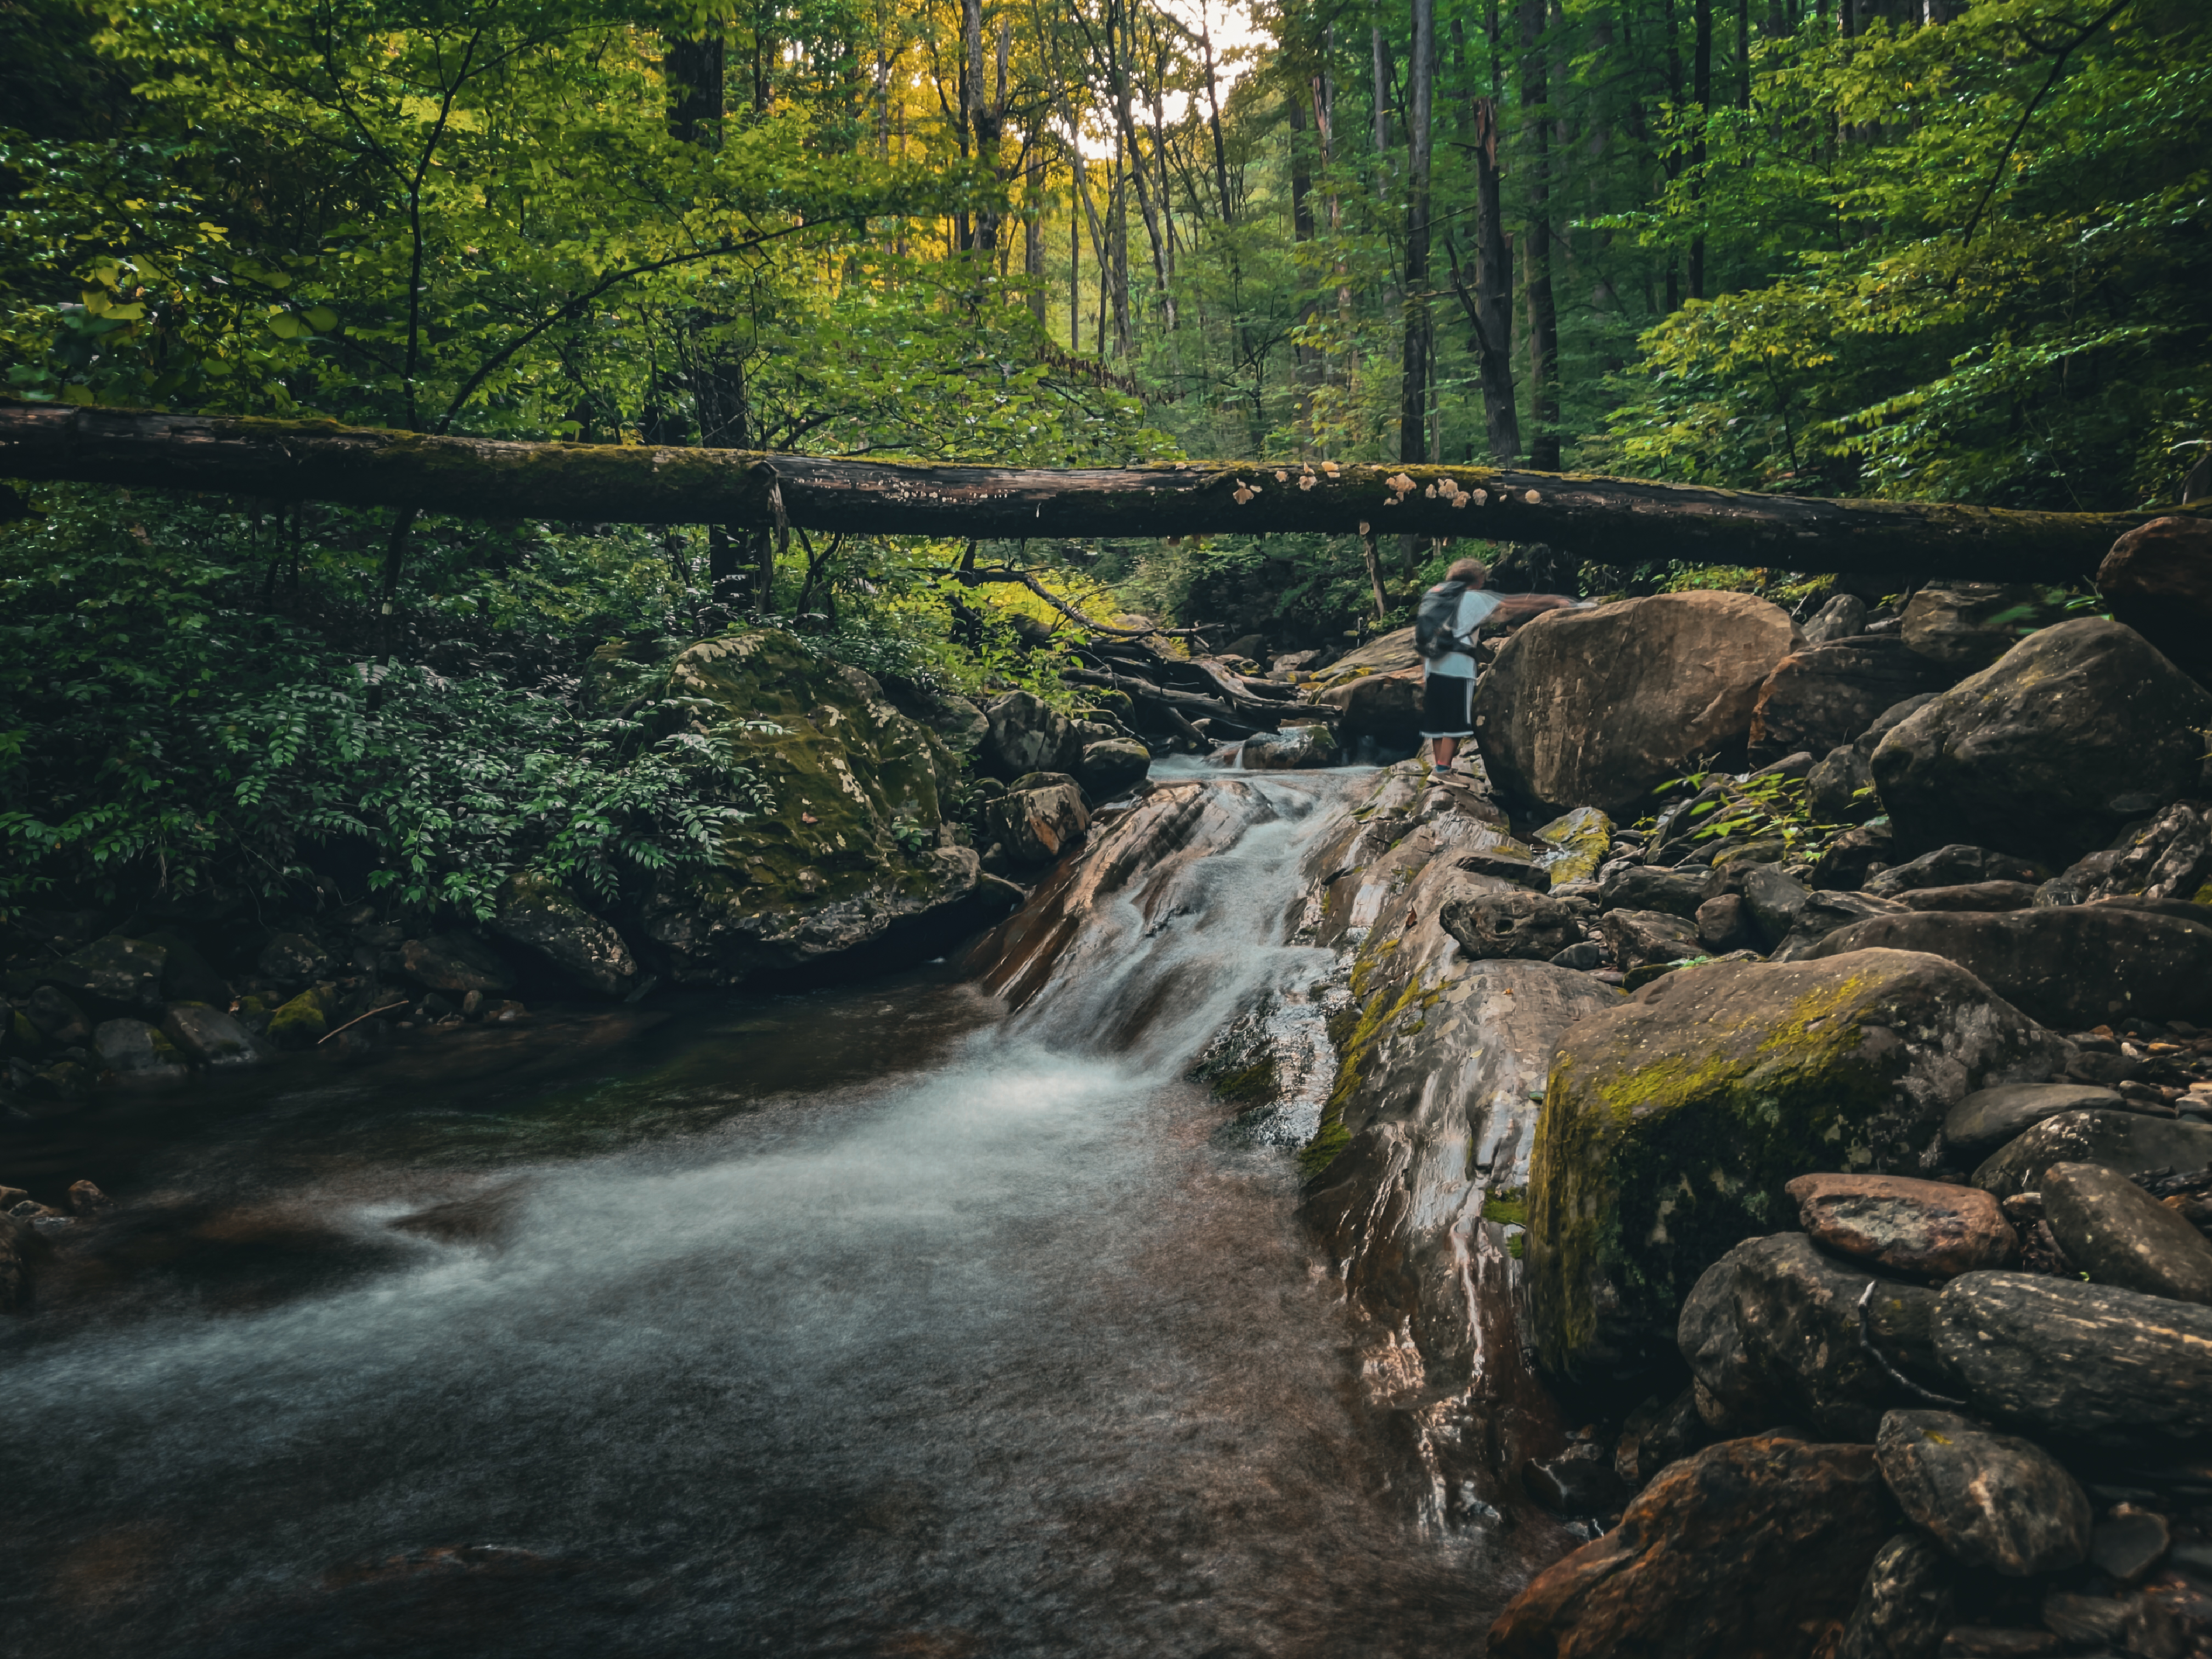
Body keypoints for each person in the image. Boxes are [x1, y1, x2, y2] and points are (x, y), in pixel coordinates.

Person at [1417, 557, 1579, 770]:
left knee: (1438, 722)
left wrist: (1423, 672)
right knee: (1455, 721)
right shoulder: (1474, 597)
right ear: (1477, 580)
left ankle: (1438, 767)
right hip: (1458, 664)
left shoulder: (1434, 596)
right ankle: (1443, 770)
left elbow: (1422, 636)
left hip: (1433, 664)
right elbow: (1516, 602)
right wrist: (1556, 600)